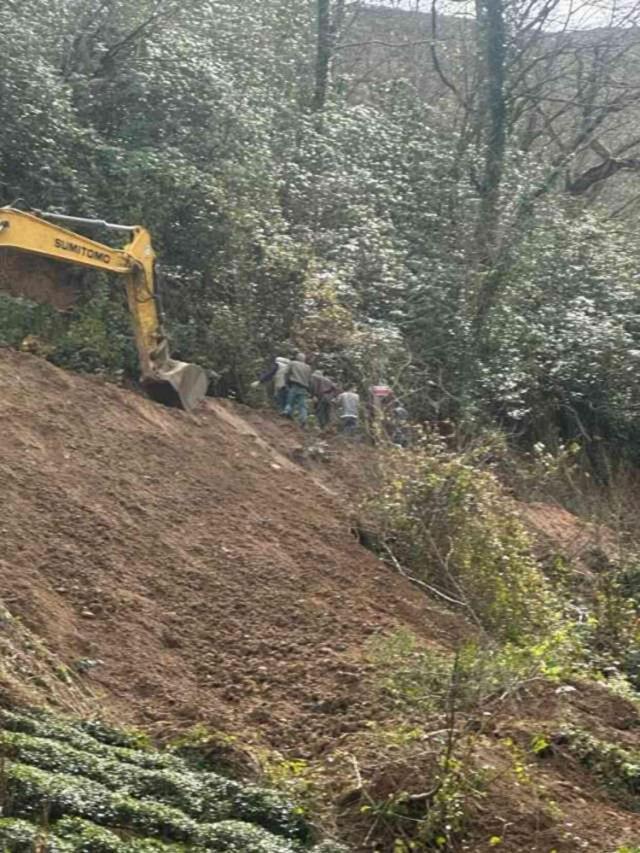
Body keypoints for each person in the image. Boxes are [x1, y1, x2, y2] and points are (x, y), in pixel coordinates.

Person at [284, 352, 313, 425]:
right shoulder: (308, 367)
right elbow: (310, 380)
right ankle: (303, 419)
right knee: (302, 404)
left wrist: (286, 382)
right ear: (304, 359)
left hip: (294, 384)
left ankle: (287, 412)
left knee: (290, 400)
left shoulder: (293, 363)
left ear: (297, 357)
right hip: (304, 387)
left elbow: (286, 373)